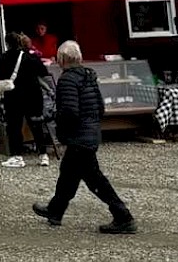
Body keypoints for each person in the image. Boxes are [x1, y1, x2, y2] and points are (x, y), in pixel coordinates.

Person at [33, 41, 137, 234]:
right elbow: (100, 107)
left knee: (94, 180)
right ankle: (55, 210)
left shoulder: (67, 80)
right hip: (90, 134)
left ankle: (123, 216)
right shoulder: (89, 77)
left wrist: (56, 120)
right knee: (68, 174)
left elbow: (70, 112)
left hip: (78, 136)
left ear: (62, 59)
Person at [0, 32, 52, 168]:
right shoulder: (31, 57)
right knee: (36, 125)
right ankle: (43, 154)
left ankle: (17, 156)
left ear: (7, 44)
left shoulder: (4, 57)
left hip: (14, 96)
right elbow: (44, 72)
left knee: (15, 126)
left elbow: (1, 75)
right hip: (33, 95)